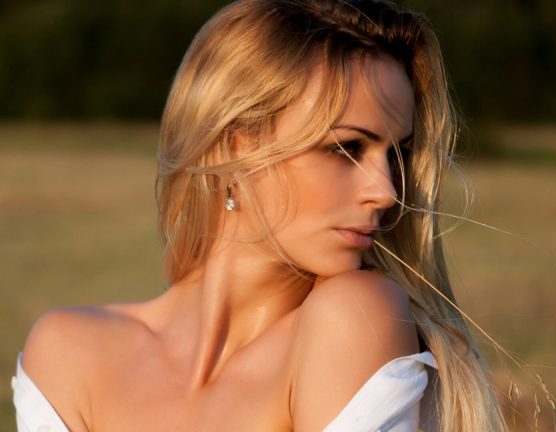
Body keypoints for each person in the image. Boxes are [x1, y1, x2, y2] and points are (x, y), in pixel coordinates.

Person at [12, 0, 509, 430]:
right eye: (347, 148)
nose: (386, 192)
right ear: (237, 144)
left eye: (396, 154)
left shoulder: (355, 316)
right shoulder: (68, 353)